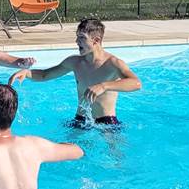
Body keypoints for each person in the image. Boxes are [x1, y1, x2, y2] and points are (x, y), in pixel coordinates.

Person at [10, 18, 142, 128]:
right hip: (80, 121)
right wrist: (26, 73)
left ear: (96, 40)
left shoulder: (113, 63)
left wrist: (104, 86)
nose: (77, 41)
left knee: (115, 158)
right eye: (77, 37)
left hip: (106, 123)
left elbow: (136, 83)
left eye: (82, 38)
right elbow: (45, 74)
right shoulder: (75, 62)